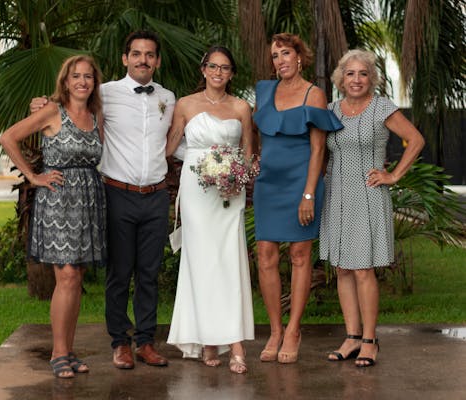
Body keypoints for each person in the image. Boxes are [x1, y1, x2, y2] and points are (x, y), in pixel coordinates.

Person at [31, 31, 176, 369]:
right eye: (136, 53)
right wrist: (39, 104)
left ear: (156, 60)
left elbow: (176, 136)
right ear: (125, 58)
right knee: (119, 272)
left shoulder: (168, 98)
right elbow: (66, 106)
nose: (143, 59)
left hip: (156, 195)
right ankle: (119, 342)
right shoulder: (103, 94)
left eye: (150, 54)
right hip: (116, 193)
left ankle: (145, 341)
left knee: (149, 273)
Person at [0, 55, 106, 378]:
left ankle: (69, 350)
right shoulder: (51, 111)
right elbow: (8, 137)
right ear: (65, 80)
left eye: (88, 76)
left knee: (76, 279)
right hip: (59, 202)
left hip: (87, 201)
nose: (82, 82)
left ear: (94, 82)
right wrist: (33, 176)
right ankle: (59, 353)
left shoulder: (95, 114)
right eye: (76, 76)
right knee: (67, 276)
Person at [319, 49, 425, 367]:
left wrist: (392, 175)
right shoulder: (330, 110)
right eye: (350, 73)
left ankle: (369, 339)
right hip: (335, 195)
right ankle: (351, 337)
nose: (356, 79)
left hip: (367, 195)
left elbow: (416, 140)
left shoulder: (382, 107)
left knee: (363, 268)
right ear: (340, 78)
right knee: (342, 268)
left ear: (372, 79)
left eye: (362, 73)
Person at [252, 33, 343, 364]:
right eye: (275, 56)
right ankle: (275, 330)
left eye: (285, 53)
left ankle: (293, 330)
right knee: (265, 255)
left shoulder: (313, 94)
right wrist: (253, 157)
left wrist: (309, 193)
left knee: (300, 255)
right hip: (268, 183)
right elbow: (255, 132)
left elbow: (319, 148)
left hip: (301, 183)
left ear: (299, 56)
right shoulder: (264, 91)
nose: (280, 60)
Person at [165, 46, 255, 374]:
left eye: (225, 68)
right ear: (203, 69)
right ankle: (207, 341)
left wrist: (238, 178)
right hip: (196, 190)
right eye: (213, 67)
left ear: (231, 73)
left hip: (229, 193)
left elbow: (247, 151)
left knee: (229, 261)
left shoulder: (242, 107)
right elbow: (171, 144)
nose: (218, 73)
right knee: (201, 262)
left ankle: (236, 344)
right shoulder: (185, 104)